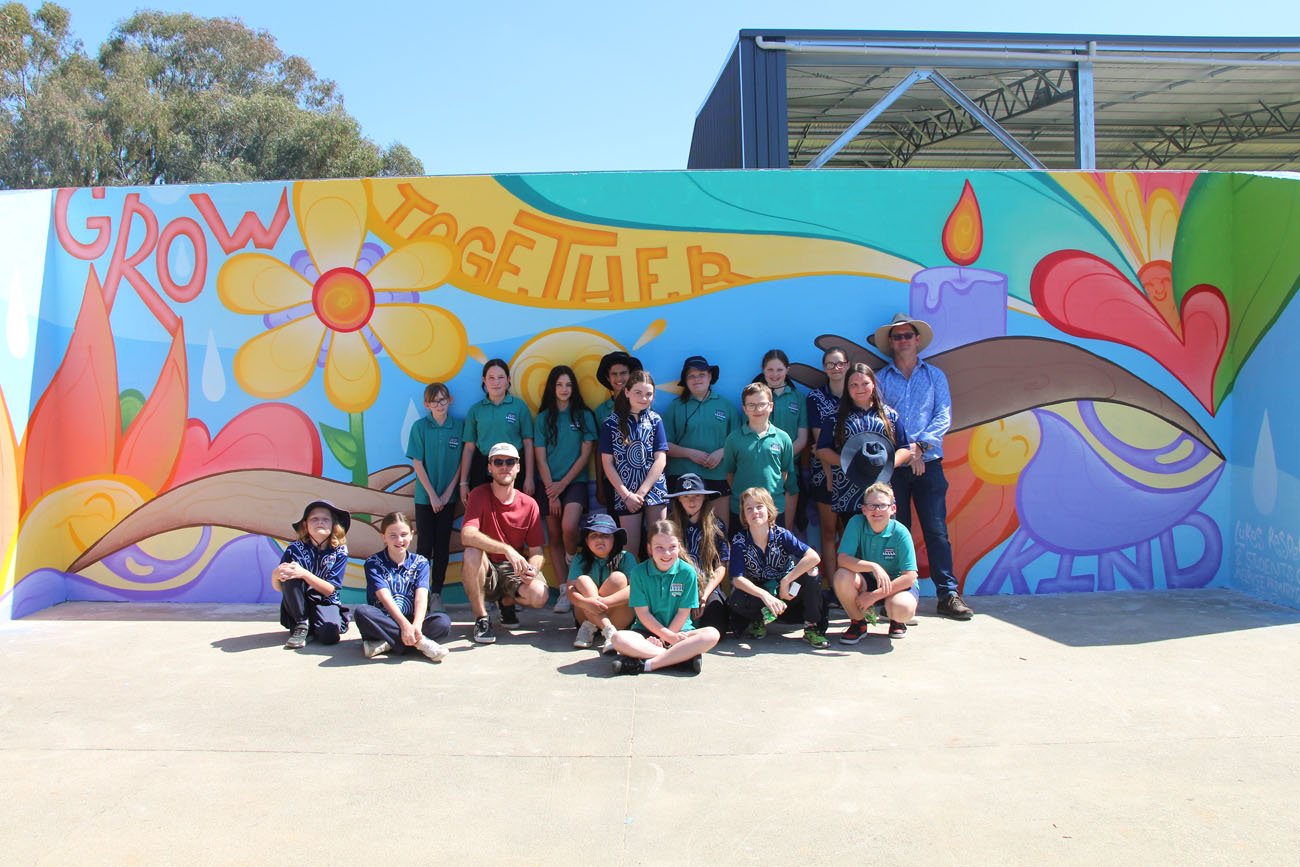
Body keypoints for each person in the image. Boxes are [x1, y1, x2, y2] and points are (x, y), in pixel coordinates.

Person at [873, 312, 974, 621]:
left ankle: (947, 594)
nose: (902, 340)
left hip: (928, 463)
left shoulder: (935, 377)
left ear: (917, 340)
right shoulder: (880, 379)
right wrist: (907, 452)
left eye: (907, 335)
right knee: (893, 531)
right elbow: (879, 420)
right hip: (895, 466)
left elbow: (943, 416)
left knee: (936, 530)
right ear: (890, 342)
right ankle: (893, 593)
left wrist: (919, 448)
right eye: (897, 336)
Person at [459, 442, 548, 644]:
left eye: (510, 462)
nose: (504, 466)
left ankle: (507, 603)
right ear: (489, 467)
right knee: (471, 553)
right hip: (486, 567)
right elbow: (467, 535)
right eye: (498, 462)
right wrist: (506, 549)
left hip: (512, 571)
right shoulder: (478, 495)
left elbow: (537, 550)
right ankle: (481, 618)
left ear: (518, 467)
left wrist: (532, 569)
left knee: (540, 595)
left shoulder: (529, 504)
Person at [607, 519, 721, 675]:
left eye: (672, 547)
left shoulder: (687, 572)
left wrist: (668, 639)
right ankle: (682, 657)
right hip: (646, 632)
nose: (666, 553)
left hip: (680, 632)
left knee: (712, 634)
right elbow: (643, 614)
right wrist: (665, 639)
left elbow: (683, 612)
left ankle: (646, 664)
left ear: (679, 547)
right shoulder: (638, 573)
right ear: (649, 549)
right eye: (659, 547)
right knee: (618, 639)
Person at [725, 487, 827, 648]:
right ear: (743, 515)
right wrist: (765, 596)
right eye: (749, 508)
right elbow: (737, 579)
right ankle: (758, 619)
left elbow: (813, 557)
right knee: (736, 599)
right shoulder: (739, 540)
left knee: (812, 573)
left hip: (788, 593)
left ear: (769, 510)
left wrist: (787, 580)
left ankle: (811, 628)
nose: (755, 512)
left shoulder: (782, 535)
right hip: (761, 595)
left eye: (759, 506)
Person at [534, 365, 598, 615]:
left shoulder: (583, 415)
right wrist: (551, 489)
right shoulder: (542, 418)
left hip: (574, 483)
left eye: (568, 385)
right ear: (552, 387)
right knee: (554, 536)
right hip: (548, 484)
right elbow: (540, 457)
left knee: (570, 527)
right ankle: (564, 590)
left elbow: (585, 455)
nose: (564, 389)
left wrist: (563, 485)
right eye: (559, 384)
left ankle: (573, 562)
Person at [815, 363, 912, 522]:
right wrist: (849, 463)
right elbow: (822, 449)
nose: (860, 388)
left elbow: (905, 449)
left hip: (881, 490)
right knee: (855, 541)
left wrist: (884, 465)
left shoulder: (890, 416)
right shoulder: (834, 417)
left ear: (873, 384)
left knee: (882, 538)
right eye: (854, 384)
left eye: (865, 383)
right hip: (848, 490)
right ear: (847, 387)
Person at [354, 512, 451, 662]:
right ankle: (419, 642)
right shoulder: (373, 563)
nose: (399, 540)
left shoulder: (421, 562)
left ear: (412, 535)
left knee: (443, 622)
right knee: (362, 612)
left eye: (404, 534)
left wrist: (416, 625)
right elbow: (384, 598)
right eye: (393, 535)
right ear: (383, 537)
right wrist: (404, 626)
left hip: (411, 620)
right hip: (384, 621)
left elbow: (421, 596)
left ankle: (388, 644)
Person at [834, 482, 920, 643]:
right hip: (867, 580)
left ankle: (896, 619)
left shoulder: (901, 532)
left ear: (892, 509)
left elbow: (909, 576)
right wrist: (873, 566)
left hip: (896, 585)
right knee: (841, 576)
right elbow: (842, 559)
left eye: (882, 505)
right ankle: (858, 623)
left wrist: (874, 596)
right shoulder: (856, 523)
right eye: (872, 506)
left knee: (902, 608)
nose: (877, 510)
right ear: (864, 509)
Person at [599, 368, 669, 559]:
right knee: (629, 550)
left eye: (649, 394)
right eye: (638, 392)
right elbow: (607, 463)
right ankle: (631, 588)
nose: (644, 398)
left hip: (653, 490)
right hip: (625, 493)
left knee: (660, 545)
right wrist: (627, 495)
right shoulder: (611, 423)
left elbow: (660, 459)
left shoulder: (655, 420)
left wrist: (641, 492)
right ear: (627, 391)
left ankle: (659, 587)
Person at [406, 381, 462, 612]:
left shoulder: (458, 426)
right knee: (424, 546)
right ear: (426, 404)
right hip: (425, 498)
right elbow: (417, 463)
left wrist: (447, 494)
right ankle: (421, 593)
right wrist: (432, 495)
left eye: (443, 399)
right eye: (434, 401)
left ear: (450, 400)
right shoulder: (420, 427)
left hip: (448, 498)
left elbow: (461, 463)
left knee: (442, 547)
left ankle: (437, 592)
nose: (439, 405)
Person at [664, 355, 740, 526]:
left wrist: (721, 453)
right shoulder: (676, 407)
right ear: (685, 380)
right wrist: (690, 454)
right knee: (682, 532)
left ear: (710, 376)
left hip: (718, 475)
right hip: (683, 478)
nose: (696, 379)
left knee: (719, 530)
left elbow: (738, 441)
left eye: (701, 374)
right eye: (691, 376)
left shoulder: (726, 406)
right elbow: (665, 446)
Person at [271, 500, 351, 649]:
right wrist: (275, 575)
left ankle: (313, 626)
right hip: (298, 604)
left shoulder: (340, 551)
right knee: (291, 573)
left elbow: (329, 590)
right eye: (314, 519)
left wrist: (305, 574)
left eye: (325, 519)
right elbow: (281, 586)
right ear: (305, 525)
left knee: (329, 636)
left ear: (333, 525)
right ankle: (301, 624)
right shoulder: (294, 549)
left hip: (325, 600)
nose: (320, 522)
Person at [721, 382, 794, 533]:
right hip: (742, 510)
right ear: (744, 409)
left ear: (771, 406)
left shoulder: (783, 438)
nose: (758, 409)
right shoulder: (733, 439)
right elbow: (730, 474)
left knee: (774, 554)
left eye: (762, 404)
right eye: (752, 405)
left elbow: (784, 473)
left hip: (774, 508)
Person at [459, 358, 535, 502]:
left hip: (513, 468)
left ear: (508, 380)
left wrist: (530, 477)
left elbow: (528, 443)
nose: (496, 382)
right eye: (491, 378)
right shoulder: (476, 410)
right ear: (484, 380)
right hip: (483, 468)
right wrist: (463, 482)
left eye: (501, 377)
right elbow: (469, 448)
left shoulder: (519, 407)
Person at [806, 346, 850, 583]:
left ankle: (852, 585)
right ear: (824, 368)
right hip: (826, 474)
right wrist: (830, 475)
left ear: (847, 365)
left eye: (840, 363)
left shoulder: (856, 393)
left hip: (856, 475)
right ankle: (833, 586)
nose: (836, 368)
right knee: (829, 531)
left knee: (851, 534)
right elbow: (819, 443)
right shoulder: (816, 398)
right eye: (830, 364)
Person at [666, 474, 729, 634]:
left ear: (704, 498)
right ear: (679, 500)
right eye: (686, 497)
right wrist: (689, 596)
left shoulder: (717, 525)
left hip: (708, 586)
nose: (691, 501)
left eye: (696, 496)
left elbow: (721, 565)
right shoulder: (670, 526)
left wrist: (704, 595)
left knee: (716, 626)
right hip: (678, 586)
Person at [566, 512, 636, 652]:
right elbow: (570, 590)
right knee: (583, 580)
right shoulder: (580, 558)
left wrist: (600, 603)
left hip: (618, 616)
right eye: (594, 536)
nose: (600, 540)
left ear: (614, 539)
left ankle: (607, 629)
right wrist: (586, 603)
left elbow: (637, 589)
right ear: (586, 541)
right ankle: (609, 631)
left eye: (605, 535)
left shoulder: (626, 557)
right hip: (586, 618)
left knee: (618, 578)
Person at [757, 349, 808, 532]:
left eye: (779, 370)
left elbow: (803, 437)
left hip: (789, 468)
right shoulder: (756, 396)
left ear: (787, 370)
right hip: (761, 467)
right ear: (763, 371)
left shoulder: (798, 398)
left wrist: (782, 459)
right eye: (770, 370)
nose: (775, 374)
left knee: (784, 529)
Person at [593, 350, 642, 512]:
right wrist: (600, 485)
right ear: (608, 378)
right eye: (614, 374)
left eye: (623, 373)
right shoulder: (601, 412)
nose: (619, 378)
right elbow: (598, 451)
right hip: (613, 482)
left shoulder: (643, 406)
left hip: (643, 480)